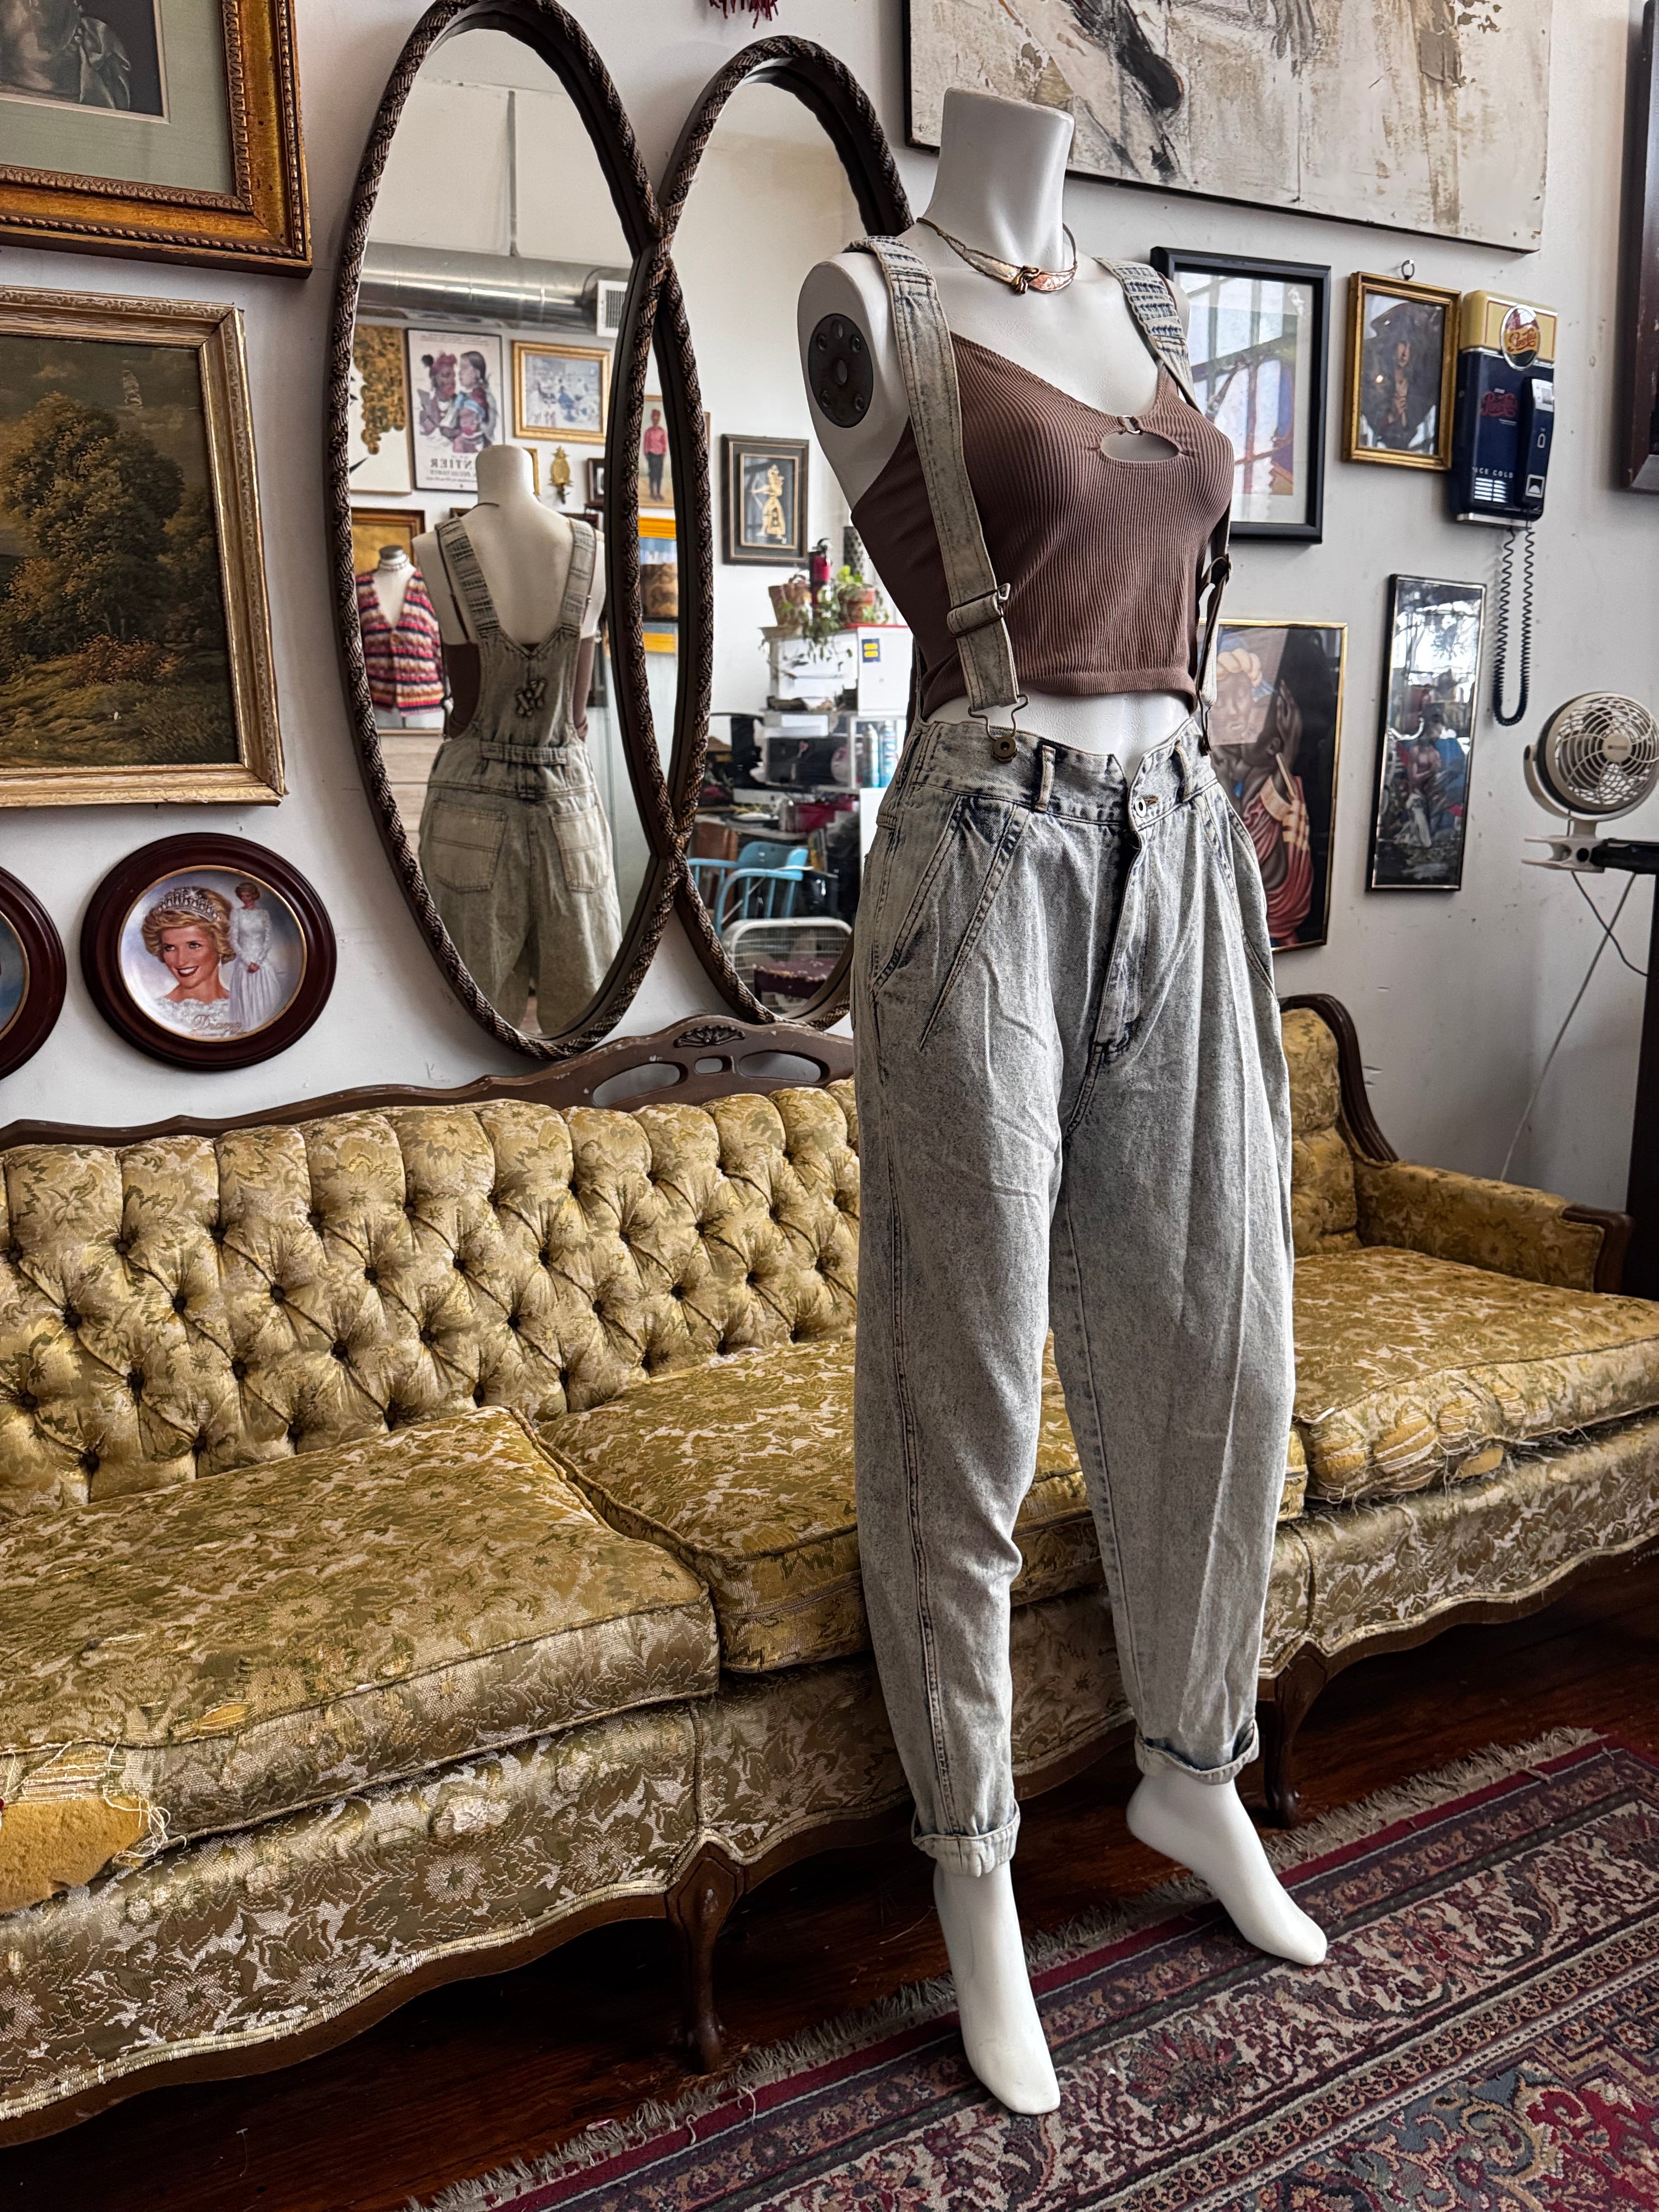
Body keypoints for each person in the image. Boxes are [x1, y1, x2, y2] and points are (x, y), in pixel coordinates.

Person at [1207, 646, 1313, 946]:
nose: (1233, 711)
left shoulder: (1266, 770)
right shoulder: (1205, 764)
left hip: (1272, 920)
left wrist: (1289, 754)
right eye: (1222, 700)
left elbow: (1250, 850)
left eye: (1241, 696)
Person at [139, 885, 236, 1039]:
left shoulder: (246, 1006)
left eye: (194, 945)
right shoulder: (155, 1011)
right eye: (170, 948)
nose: (181, 960)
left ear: (220, 945)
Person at [226, 881, 285, 1033]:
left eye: (248, 896)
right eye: (242, 896)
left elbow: (268, 939)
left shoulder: (264, 914)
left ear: (254, 896)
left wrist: (258, 962)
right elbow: (233, 940)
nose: (245, 899)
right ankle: (247, 1031)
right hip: (244, 963)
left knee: (266, 999)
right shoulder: (236, 914)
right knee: (246, 1000)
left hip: (261, 962)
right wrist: (248, 962)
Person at [641, 407, 668, 502]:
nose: (655, 420)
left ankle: (659, 493)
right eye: (654, 418)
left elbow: (664, 443)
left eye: (657, 419)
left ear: (659, 419)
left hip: (660, 455)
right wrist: (646, 454)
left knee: (659, 475)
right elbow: (646, 444)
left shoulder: (662, 431)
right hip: (652, 455)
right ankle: (652, 493)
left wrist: (664, 454)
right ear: (652, 419)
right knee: (652, 474)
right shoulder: (649, 432)